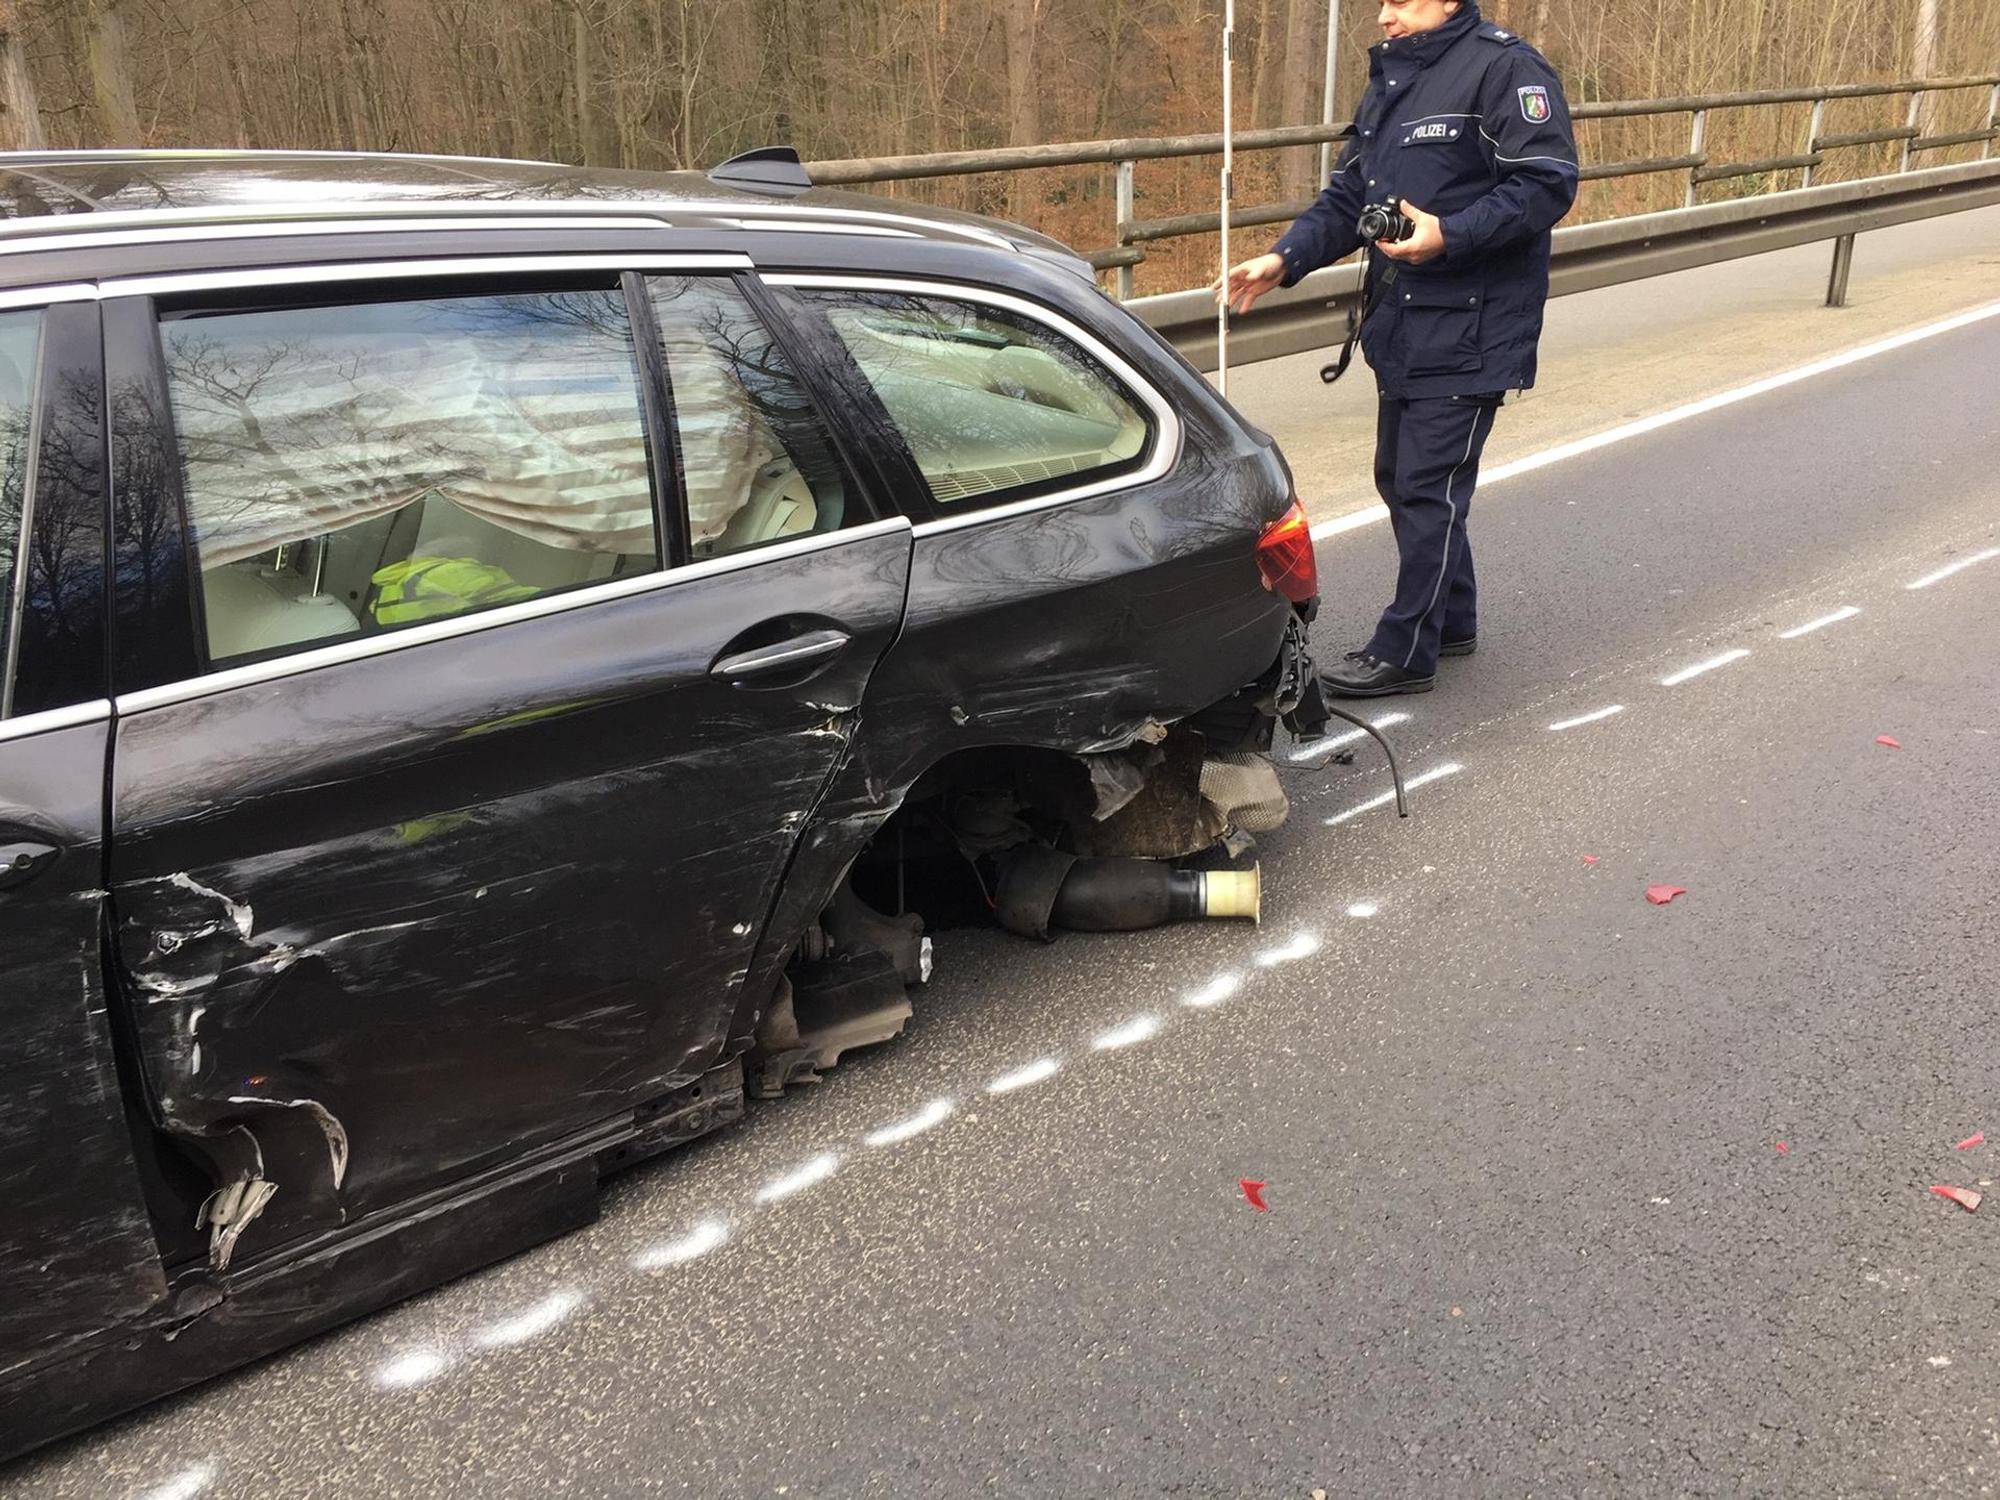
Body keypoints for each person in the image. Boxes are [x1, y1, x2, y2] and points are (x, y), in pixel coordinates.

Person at [1216, 0, 1577, 696]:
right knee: (1401, 478)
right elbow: (1352, 195)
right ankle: (1453, 620)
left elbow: (1546, 183)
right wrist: (1284, 260)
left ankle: (1407, 647)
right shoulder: (1396, 77)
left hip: (1474, 324)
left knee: (1425, 487)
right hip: (1404, 321)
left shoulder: (1506, 68)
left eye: (1400, 1)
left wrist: (1451, 233)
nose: (1383, 17)